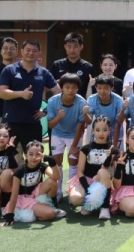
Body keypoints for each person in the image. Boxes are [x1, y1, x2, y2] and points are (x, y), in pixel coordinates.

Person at [0, 39, 60, 154]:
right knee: (7, 156)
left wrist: (46, 111)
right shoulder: (9, 70)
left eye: (34, 51)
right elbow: (2, 93)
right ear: (22, 51)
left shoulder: (44, 72)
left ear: (39, 53)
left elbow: (58, 92)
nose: (31, 53)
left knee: (35, 156)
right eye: (28, 50)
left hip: (32, 123)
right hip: (11, 121)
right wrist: (21, 94)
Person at [0, 141, 66, 226]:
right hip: (24, 199)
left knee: (53, 181)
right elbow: (14, 195)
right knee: (50, 214)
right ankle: (39, 212)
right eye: (31, 154)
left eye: (38, 154)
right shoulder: (19, 171)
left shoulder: (41, 166)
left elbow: (56, 176)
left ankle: (54, 206)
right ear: (25, 155)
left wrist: (52, 161)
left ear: (42, 155)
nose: (34, 157)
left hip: (36, 194)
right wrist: (10, 215)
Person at [68, 115, 118, 219]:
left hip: (102, 181)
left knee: (103, 172)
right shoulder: (85, 149)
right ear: (93, 131)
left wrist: (110, 155)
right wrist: (88, 189)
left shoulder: (113, 150)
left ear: (109, 131)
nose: (101, 133)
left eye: (104, 130)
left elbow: (107, 168)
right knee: (75, 199)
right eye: (98, 130)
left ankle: (104, 207)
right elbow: (80, 172)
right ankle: (89, 202)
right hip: (86, 181)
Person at [46, 73, 87, 202]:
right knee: (57, 161)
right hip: (57, 134)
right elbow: (50, 125)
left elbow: (81, 126)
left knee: (73, 162)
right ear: (61, 87)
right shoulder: (53, 101)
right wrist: (58, 117)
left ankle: (72, 191)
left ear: (78, 88)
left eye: (74, 87)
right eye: (67, 87)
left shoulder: (81, 102)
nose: (70, 90)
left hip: (74, 135)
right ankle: (57, 192)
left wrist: (74, 146)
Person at [49, 32, 94, 98]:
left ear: (81, 47)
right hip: (60, 102)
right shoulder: (57, 65)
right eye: (69, 46)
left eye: (75, 46)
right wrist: (56, 84)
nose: (72, 50)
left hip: (81, 102)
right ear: (65, 47)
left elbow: (93, 89)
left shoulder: (88, 67)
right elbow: (48, 86)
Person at [86, 75, 125, 150]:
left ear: (112, 88)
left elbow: (119, 123)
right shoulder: (92, 99)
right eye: (99, 88)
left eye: (106, 88)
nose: (102, 91)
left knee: (116, 155)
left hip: (116, 133)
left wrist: (114, 145)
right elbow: (89, 121)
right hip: (99, 133)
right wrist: (85, 114)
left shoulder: (119, 100)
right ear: (96, 87)